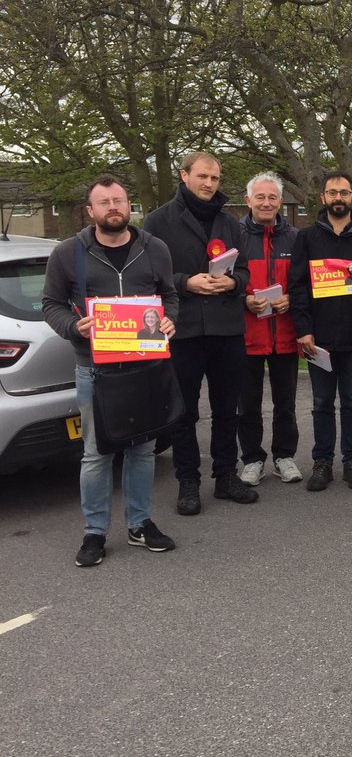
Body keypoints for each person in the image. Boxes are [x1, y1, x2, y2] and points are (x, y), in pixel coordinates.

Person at [42, 174, 180, 567]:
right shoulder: (68, 252)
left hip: (146, 366)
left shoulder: (155, 248)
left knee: (143, 449)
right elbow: (51, 304)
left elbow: (169, 296)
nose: (113, 208)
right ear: (91, 211)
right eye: (104, 202)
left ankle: (139, 524)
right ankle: (95, 532)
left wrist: (169, 320)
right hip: (95, 370)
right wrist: (74, 327)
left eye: (119, 200)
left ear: (128, 205)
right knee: (96, 453)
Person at [143, 151, 257, 516]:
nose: (209, 183)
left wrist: (233, 283)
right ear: (184, 175)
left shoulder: (230, 222)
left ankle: (225, 475)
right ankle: (188, 481)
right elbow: (148, 277)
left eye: (215, 178)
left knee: (227, 409)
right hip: (183, 330)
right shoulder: (158, 221)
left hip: (226, 329)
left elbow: (245, 273)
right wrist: (185, 283)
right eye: (202, 176)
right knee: (183, 413)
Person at [289, 171, 352, 492]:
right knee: (321, 402)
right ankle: (322, 462)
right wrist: (303, 330)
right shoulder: (306, 238)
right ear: (323, 198)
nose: (338, 198)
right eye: (332, 192)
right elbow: (297, 287)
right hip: (318, 338)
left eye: (344, 193)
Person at [236, 171, 303, 487]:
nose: (266, 203)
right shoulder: (234, 237)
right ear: (248, 200)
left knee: (285, 403)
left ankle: (284, 456)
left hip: (285, 334)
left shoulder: (296, 238)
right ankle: (252, 459)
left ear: (280, 201)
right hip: (246, 335)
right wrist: (244, 300)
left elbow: (306, 283)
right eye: (260, 197)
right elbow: (220, 281)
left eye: (272, 197)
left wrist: (292, 298)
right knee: (247, 404)